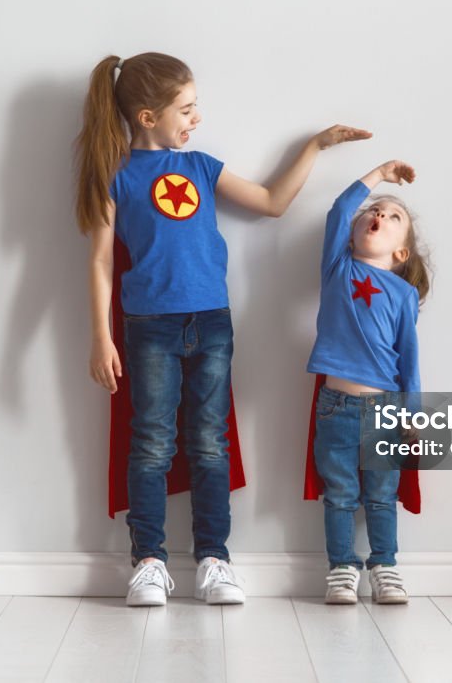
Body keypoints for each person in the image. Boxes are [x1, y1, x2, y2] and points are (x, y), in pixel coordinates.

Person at [74, 51, 371, 606]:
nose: (196, 118)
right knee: (152, 443)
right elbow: (100, 261)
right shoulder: (116, 176)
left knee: (210, 442)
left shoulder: (203, 167)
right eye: (186, 108)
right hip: (149, 328)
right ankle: (149, 562)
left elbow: (272, 203)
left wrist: (315, 146)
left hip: (211, 322)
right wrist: (100, 336)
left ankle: (214, 559)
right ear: (146, 117)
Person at [305, 159, 431, 604]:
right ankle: (342, 569)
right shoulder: (338, 268)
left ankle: (385, 567)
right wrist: (377, 175)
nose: (379, 215)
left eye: (394, 216)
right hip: (336, 406)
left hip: (386, 410)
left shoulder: (402, 295)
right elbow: (340, 210)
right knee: (339, 495)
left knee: (381, 496)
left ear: (402, 254)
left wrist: (412, 417)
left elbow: (409, 360)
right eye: (373, 212)